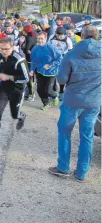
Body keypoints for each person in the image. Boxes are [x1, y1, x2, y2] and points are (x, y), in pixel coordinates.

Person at [48, 26, 101, 182]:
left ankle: (63, 167)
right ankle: (81, 173)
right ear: (97, 36)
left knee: (65, 133)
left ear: (82, 36)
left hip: (72, 101)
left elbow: (62, 80)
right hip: (94, 102)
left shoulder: (71, 54)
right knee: (87, 136)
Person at [0, 38, 29, 150]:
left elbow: (26, 78)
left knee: (14, 115)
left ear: (12, 47)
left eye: (6, 49)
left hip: (17, 90)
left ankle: (21, 116)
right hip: (4, 89)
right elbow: (0, 72)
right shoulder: (0, 57)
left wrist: (9, 77)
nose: (3, 51)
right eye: (1, 49)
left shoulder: (19, 59)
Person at [29, 32, 62, 110]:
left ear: (46, 39)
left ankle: (55, 95)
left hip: (51, 72)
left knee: (48, 90)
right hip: (40, 71)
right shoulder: (35, 48)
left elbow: (60, 59)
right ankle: (46, 103)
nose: (40, 40)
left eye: (42, 39)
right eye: (38, 39)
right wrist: (31, 70)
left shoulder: (51, 47)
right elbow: (34, 61)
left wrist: (50, 65)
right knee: (40, 90)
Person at [20, 25, 37, 101]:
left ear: (25, 32)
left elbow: (25, 50)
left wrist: (22, 44)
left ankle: (31, 94)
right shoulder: (32, 36)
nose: (22, 31)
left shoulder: (28, 38)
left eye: (23, 30)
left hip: (29, 60)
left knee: (29, 77)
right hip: (30, 59)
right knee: (29, 77)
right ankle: (29, 93)